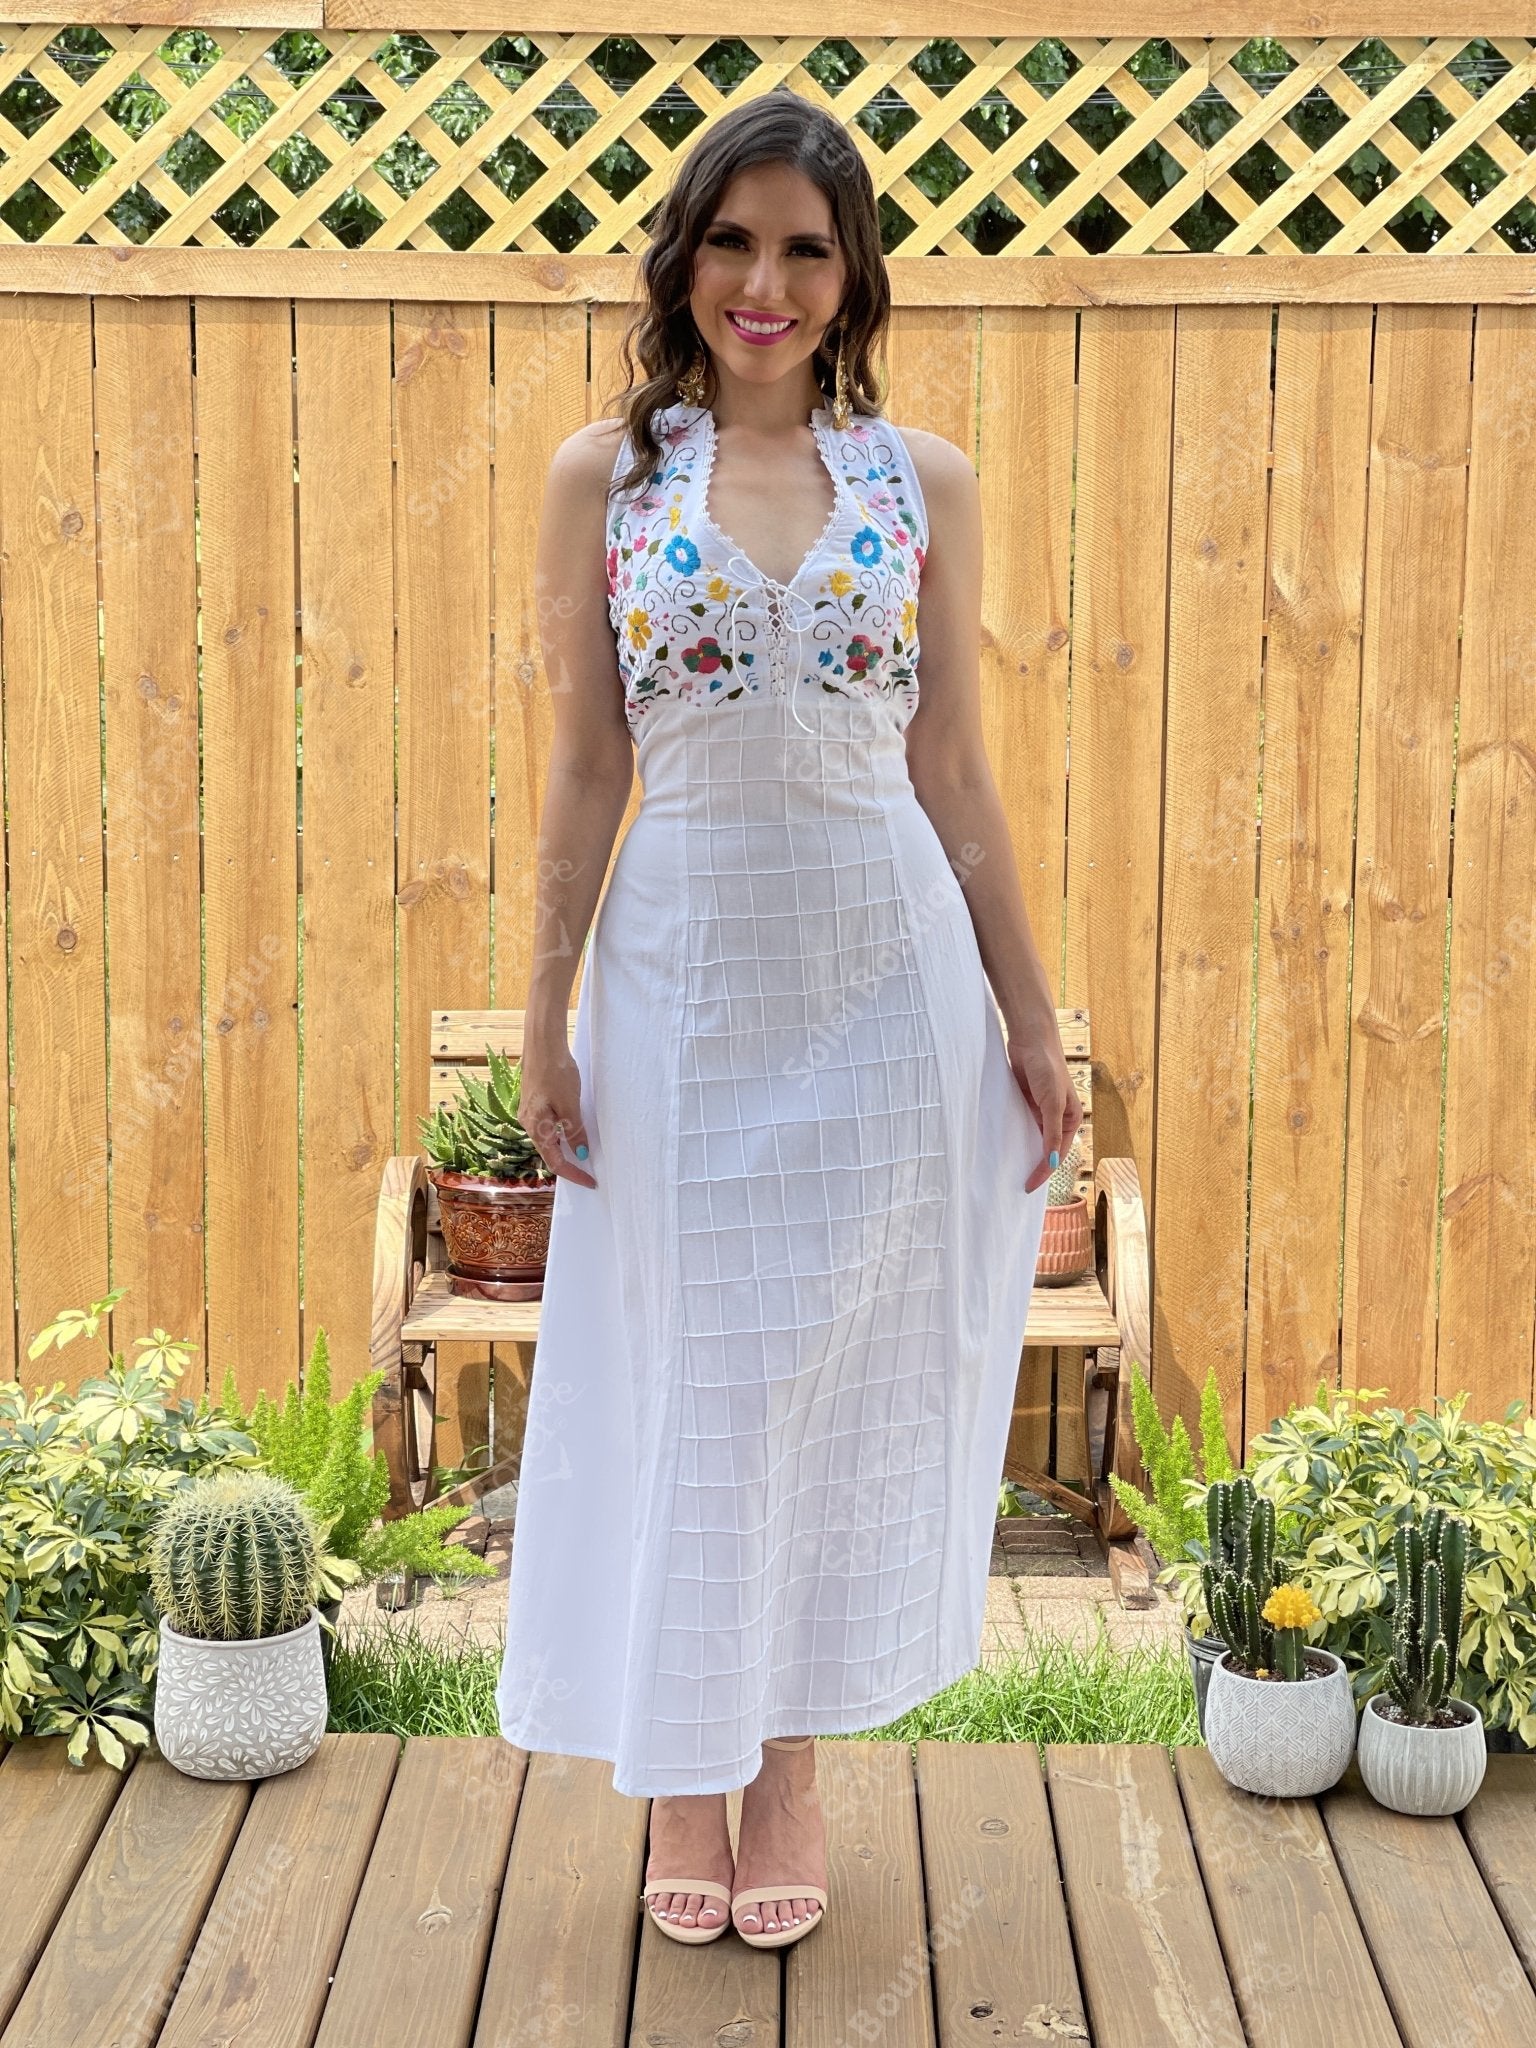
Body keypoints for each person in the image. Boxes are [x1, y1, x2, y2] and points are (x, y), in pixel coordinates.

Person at [495, 87, 1082, 1954]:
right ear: (684, 258)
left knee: (831, 1390)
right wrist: (543, 1009)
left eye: (806, 248)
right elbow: (587, 771)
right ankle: (684, 1767)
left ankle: (793, 1772)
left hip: (877, 985)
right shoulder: (610, 474)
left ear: (853, 277)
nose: (766, 281)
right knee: (694, 1370)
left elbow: (959, 775)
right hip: (680, 984)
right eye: (733, 241)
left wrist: (1030, 1017)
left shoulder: (926, 482)